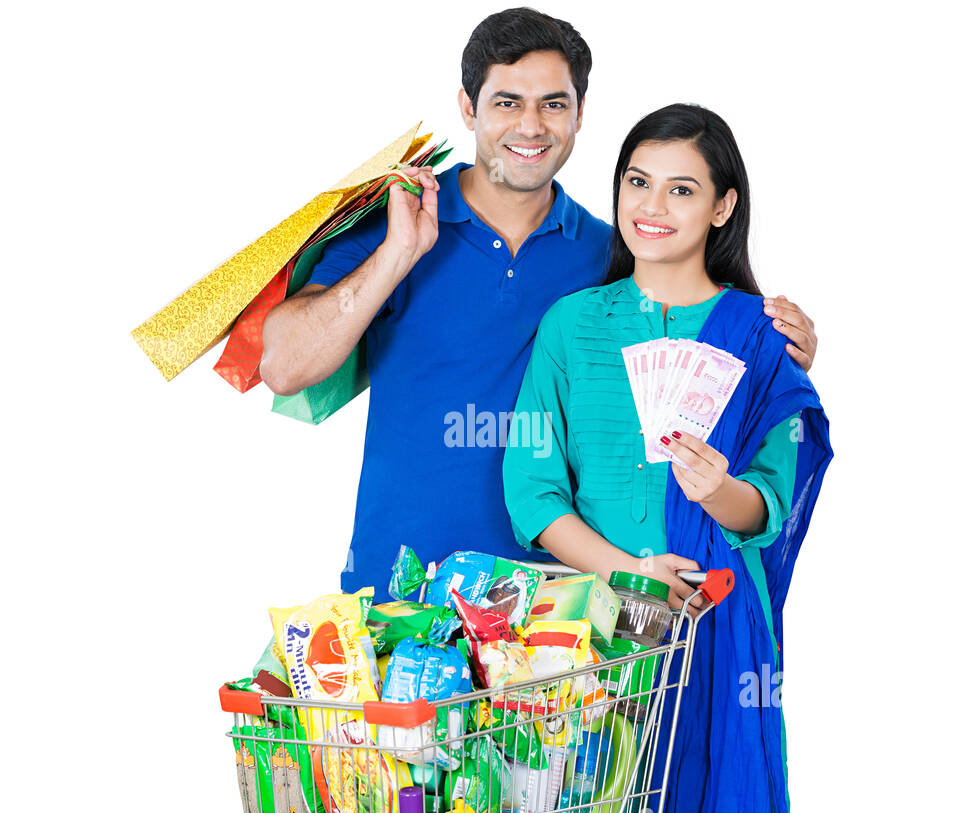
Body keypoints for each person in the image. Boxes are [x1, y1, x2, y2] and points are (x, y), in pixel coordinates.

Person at [259, 8, 818, 601]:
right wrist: (400, 253)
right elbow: (284, 367)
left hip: (567, 611)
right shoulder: (397, 220)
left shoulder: (614, 253)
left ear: (580, 114)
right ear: (468, 107)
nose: (531, 126)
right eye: (506, 102)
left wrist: (775, 353)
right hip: (401, 586)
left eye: (554, 103)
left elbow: (699, 351)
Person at [502, 103, 833, 813]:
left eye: (682, 190)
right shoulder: (570, 324)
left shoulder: (760, 332)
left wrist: (718, 490)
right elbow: (534, 490)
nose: (652, 207)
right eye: (637, 182)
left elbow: (770, 506)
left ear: (723, 207)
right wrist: (629, 572)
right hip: (594, 624)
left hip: (714, 621)